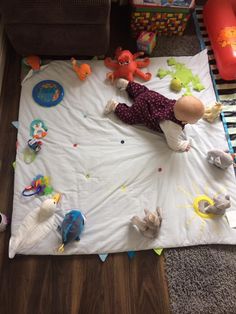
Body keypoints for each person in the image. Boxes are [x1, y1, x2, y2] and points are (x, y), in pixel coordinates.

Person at [104, 79, 205, 152]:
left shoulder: (177, 104)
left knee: (141, 91)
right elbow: (173, 144)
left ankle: (127, 85)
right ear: (185, 121)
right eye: (196, 120)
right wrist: (182, 145)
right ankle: (115, 105)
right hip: (143, 109)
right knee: (130, 116)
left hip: (151, 97)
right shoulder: (173, 127)